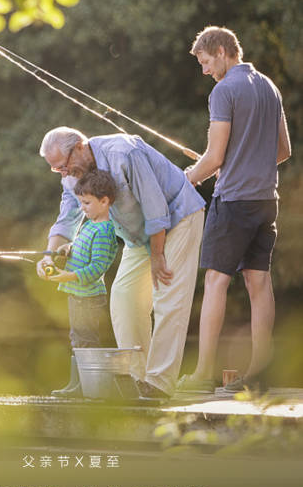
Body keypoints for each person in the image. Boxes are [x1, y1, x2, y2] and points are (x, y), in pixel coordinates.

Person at [37, 126, 205, 401]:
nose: (63, 173)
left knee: (168, 296)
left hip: (177, 217)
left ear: (80, 146)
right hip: (139, 234)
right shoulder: (72, 176)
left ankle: (159, 383)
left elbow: (155, 207)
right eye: (57, 170)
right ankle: (138, 379)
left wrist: (157, 255)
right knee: (124, 297)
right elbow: (67, 214)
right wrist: (49, 254)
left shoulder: (124, 152)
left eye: (63, 166)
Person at [178, 26, 291, 395]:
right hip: (266, 201)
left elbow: (212, 158)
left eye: (206, 62)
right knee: (259, 282)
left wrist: (188, 179)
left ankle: (203, 374)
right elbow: (283, 151)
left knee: (215, 281)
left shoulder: (224, 91)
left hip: (234, 202)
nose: (205, 71)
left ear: (224, 51)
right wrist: (245, 162)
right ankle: (260, 373)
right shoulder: (269, 87)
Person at [43, 169, 118, 397]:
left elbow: (97, 268)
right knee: (77, 339)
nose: (82, 208)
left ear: (104, 201)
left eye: (86, 203)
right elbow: (80, 248)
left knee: (86, 341)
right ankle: (78, 385)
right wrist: (68, 248)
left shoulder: (105, 230)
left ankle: (87, 387)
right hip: (76, 295)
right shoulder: (88, 224)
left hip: (89, 298)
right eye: (80, 202)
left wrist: (69, 276)